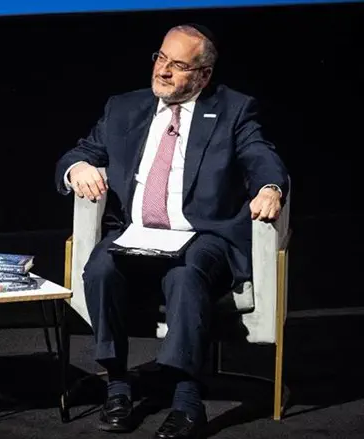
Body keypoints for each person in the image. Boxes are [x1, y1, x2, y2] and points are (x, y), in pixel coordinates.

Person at [54, 24, 289, 439]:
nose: (163, 71)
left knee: (186, 275)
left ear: (202, 75)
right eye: (160, 58)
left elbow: (261, 156)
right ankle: (118, 384)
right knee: (100, 269)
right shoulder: (124, 108)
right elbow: (78, 152)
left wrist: (271, 187)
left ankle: (186, 399)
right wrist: (79, 167)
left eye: (177, 65)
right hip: (138, 233)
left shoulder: (233, 110)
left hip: (203, 237)